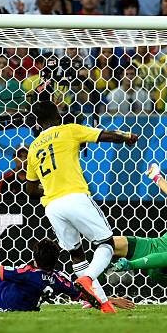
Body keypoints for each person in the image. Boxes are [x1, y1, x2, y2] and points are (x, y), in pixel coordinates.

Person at [25, 100, 138, 313]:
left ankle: (104, 304)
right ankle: (87, 278)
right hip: (75, 197)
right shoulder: (69, 130)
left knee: (76, 254)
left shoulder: (33, 148)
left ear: (38, 122)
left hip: (52, 206)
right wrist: (127, 137)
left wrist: (51, 185)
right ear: (57, 115)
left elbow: (30, 191)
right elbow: (104, 135)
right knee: (107, 244)